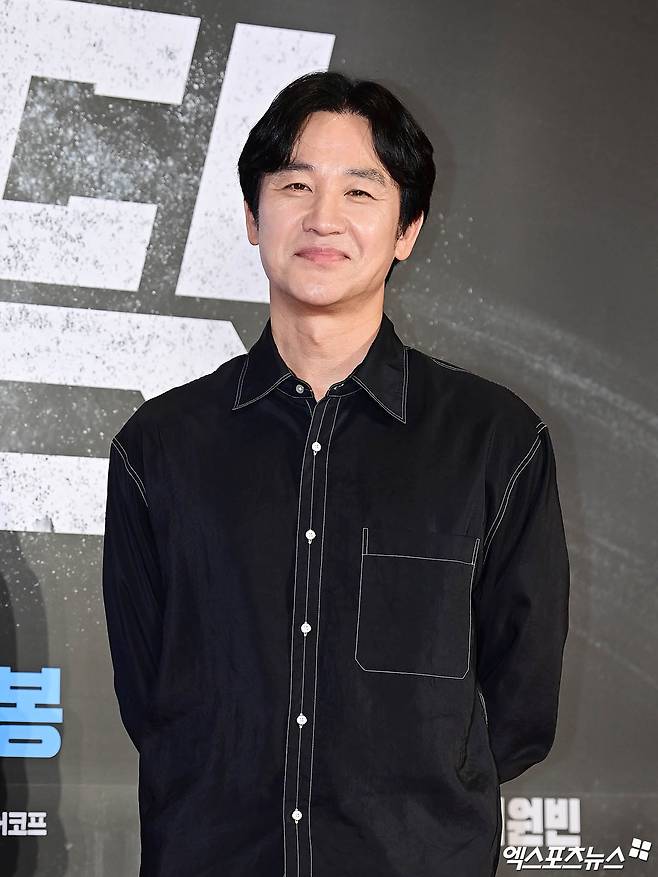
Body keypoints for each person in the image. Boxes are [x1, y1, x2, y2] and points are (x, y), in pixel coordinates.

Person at [102, 71, 570, 877]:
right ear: (252, 216)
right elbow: (151, 697)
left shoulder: (495, 441)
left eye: (360, 190)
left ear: (407, 228)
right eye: (295, 185)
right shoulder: (160, 446)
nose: (324, 217)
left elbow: (521, 704)